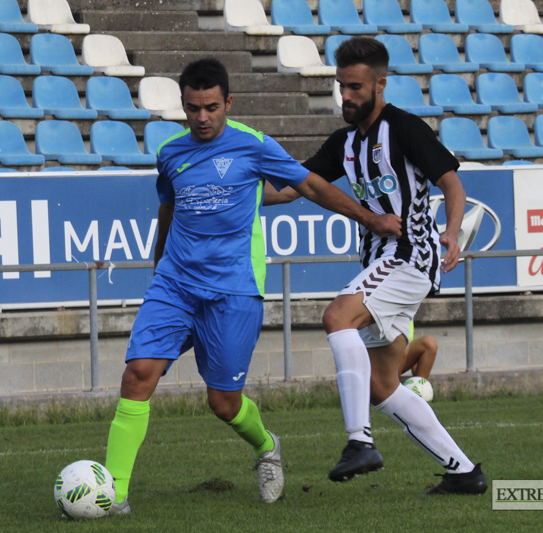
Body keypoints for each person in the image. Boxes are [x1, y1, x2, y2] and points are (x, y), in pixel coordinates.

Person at [103, 57, 402, 515]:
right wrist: (159, 262)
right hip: (175, 285)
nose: (202, 117)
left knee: (223, 403)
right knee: (137, 375)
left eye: (210, 107)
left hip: (232, 292)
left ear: (228, 102)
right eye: (192, 108)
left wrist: (371, 217)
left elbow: (312, 187)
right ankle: (114, 495)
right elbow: (168, 206)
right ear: (183, 106)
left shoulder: (254, 146)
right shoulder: (170, 154)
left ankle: (266, 446)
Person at [264, 37, 487, 495]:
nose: (346, 96)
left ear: (380, 84)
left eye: (356, 87)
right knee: (383, 385)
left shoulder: (404, 128)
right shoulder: (344, 143)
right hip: (383, 260)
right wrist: (227, 195)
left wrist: (451, 229)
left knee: (336, 316)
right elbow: (293, 189)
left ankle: (359, 441)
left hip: (409, 256)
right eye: (342, 86)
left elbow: (452, 183)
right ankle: (463, 472)